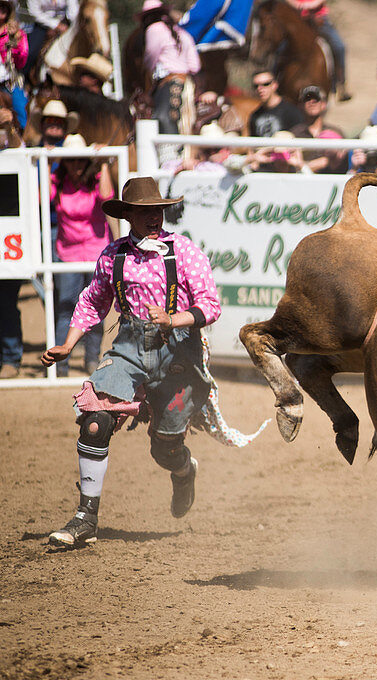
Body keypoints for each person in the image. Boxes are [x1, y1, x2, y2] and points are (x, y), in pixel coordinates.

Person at [41, 176, 222, 548]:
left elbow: (210, 305)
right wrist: (68, 343)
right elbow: (93, 301)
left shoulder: (183, 251)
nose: (154, 218)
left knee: (166, 446)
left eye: (157, 211)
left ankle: (183, 469)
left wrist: (175, 319)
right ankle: (85, 518)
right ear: (128, 216)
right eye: (144, 212)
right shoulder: (113, 256)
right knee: (94, 423)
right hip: (128, 351)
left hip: (178, 358)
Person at [50, 132, 113, 376]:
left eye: (81, 159)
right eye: (71, 159)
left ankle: (91, 359)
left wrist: (104, 162)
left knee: (97, 307)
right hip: (67, 253)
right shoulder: (57, 179)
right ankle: (61, 362)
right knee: (66, 306)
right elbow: (41, 198)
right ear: (64, 161)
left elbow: (108, 197)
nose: (76, 164)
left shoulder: (96, 177)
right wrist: (47, 162)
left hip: (96, 252)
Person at [136, 0, 202, 140]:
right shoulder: (183, 33)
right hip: (187, 83)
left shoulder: (154, 29)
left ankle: (170, 156)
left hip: (169, 83)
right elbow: (195, 66)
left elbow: (150, 56)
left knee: (162, 117)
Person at [286, 0, 349, 101]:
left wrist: (308, 5)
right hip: (296, 19)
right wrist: (295, 4)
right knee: (280, 47)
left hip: (317, 18)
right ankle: (273, 80)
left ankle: (340, 83)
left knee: (339, 47)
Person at [290, 85, 345, 173]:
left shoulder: (335, 132)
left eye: (316, 100)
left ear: (324, 104)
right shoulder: (294, 133)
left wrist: (328, 162)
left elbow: (343, 162)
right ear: (300, 105)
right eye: (307, 99)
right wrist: (317, 164)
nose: (311, 102)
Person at [247, 69, 304, 138]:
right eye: (256, 86)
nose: (260, 89)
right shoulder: (255, 115)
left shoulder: (292, 112)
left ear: (275, 85)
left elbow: (299, 140)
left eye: (265, 84)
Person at [25, 0, 76, 76]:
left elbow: (74, 10)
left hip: (64, 24)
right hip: (42, 24)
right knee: (30, 53)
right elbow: (34, 12)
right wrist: (55, 25)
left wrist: (69, 24)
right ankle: (24, 79)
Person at [0, 0, 28, 130]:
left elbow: (21, 62)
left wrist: (14, 42)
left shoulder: (17, 33)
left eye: (4, 7)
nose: (2, 9)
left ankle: (24, 138)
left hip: (7, 82)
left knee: (22, 112)